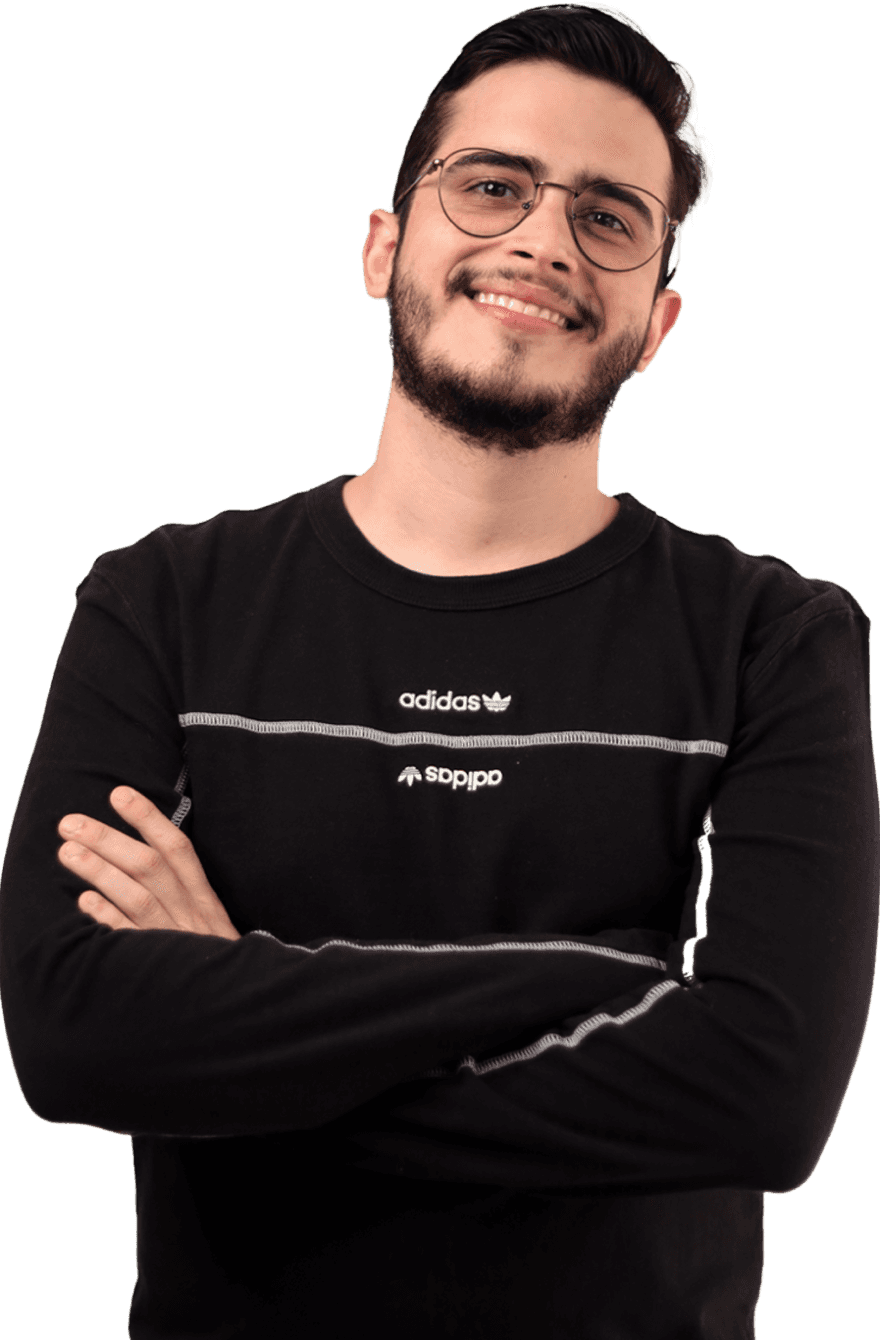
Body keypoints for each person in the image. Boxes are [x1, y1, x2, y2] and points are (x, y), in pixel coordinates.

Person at [1, 4, 877, 1337]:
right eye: (493, 187)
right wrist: (598, 981)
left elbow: (761, 1096)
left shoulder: (772, 637)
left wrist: (238, 1015)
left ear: (657, 322)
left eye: (608, 217)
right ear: (384, 246)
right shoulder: (163, 604)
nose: (542, 241)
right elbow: (69, 1034)